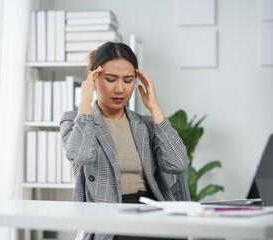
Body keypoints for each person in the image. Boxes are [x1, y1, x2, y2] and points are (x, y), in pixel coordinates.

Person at [60, 42, 189, 240]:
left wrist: (154, 108)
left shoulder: (143, 125)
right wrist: (84, 103)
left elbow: (178, 163)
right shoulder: (75, 121)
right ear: (93, 78)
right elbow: (81, 155)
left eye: (128, 80)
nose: (120, 89)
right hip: (110, 220)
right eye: (111, 79)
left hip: (151, 213)